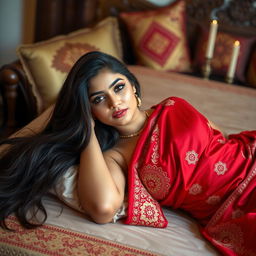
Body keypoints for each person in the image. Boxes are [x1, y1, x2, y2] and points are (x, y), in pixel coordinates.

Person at [0, 51, 255, 255]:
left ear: (133, 86)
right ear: (90, 111)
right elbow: (102, 208)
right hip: (233, 209)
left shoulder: (173, 105)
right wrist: (86, 130)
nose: (114, 102)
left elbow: (220, 139)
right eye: (98, 99)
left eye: (118, 87)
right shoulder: (115, 156)